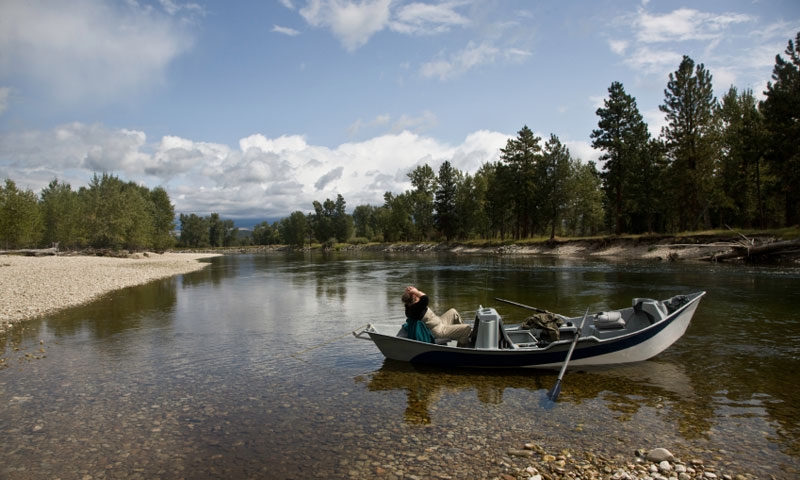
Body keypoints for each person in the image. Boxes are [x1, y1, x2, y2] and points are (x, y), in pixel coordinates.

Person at [402, 286, 472, 347]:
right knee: (467, 328)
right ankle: (460, 349)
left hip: (439, 323)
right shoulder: (416, 308)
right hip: (437, 331)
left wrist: (412, 292)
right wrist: (415, 291)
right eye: (416, 295)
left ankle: (463, 337)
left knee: (453, 312)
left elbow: (421, 297)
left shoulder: (410, 307)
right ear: (415, 298)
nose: (418, 294)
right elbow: (425, 298)